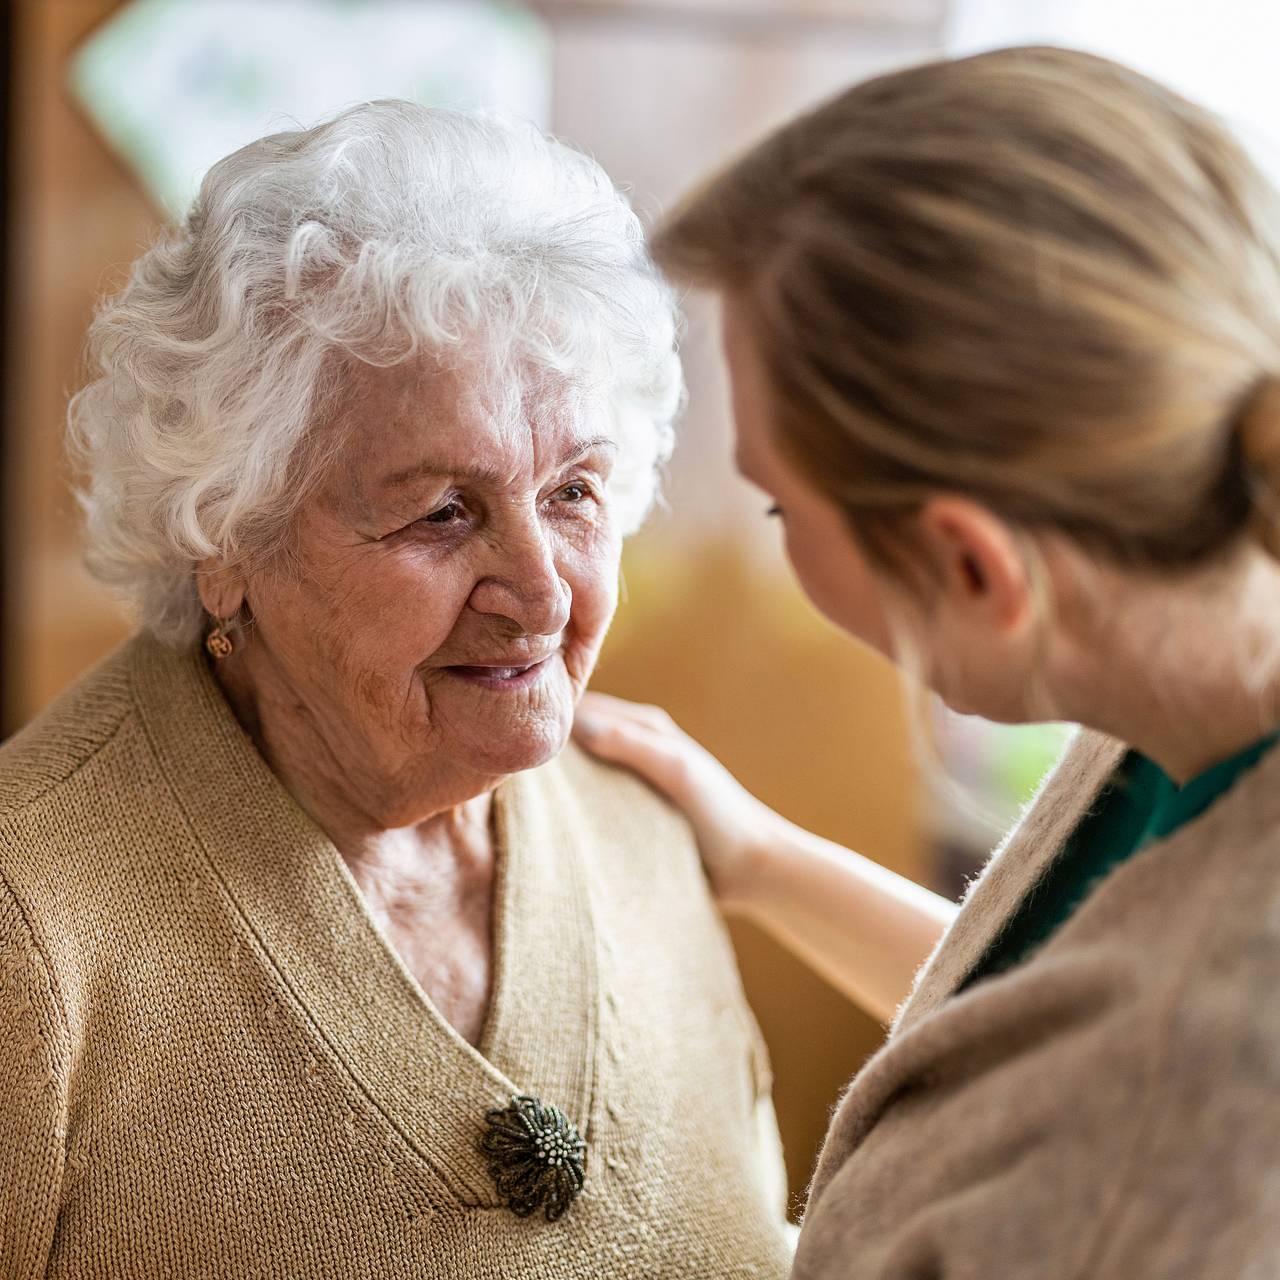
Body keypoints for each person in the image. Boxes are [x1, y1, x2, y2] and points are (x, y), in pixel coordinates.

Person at [0, 102, 792, 1279]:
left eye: (574, 490)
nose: (540, 592)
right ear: (223, 535)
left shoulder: (645, 832)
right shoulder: (34, 924)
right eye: (441, 512)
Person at [575, 45, 1280, 1276]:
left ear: (970, 566)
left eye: (780, 509)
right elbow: (1048, 1026)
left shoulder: (1193, 1123)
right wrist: (759, 859)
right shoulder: (1190, 663)